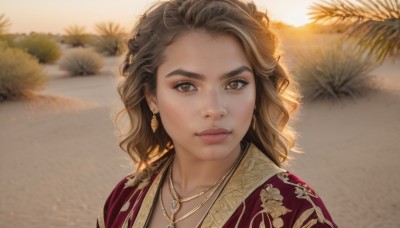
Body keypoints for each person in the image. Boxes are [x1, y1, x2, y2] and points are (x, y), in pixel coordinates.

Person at [97, 0, 337, 227]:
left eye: (235, 84)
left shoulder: (295, 213)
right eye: (186, 86)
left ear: (257, 92)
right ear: (152, 97)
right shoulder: (124, 199)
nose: (214, 109)